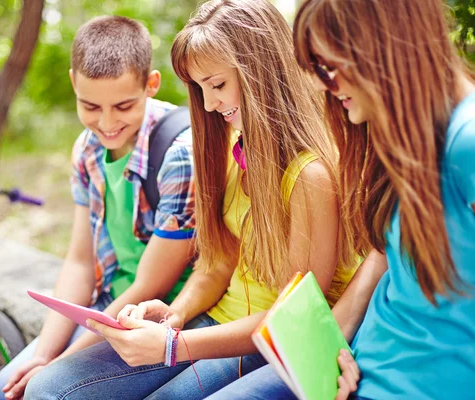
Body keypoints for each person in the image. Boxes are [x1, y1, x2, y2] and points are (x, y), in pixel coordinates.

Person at [24, 1, 363, 398]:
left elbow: (291, 319)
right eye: (199, 88)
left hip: (267, 342)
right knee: (50, 388)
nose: (206, 104)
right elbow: (216, 264)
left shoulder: (311, 176)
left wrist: (174, 346)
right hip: (215, 321)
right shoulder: (235, 147)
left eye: (217, 85)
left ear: (262, 73)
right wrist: (175, 313)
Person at [208, 0, 475, 398]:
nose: (319, 85)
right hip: (353, 367)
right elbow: (385, 254)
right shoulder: (409, 135)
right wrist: (335, 339)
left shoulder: (465, 143)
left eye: (328, 68)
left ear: (385, 47)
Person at [0, 15, 196, 400]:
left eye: (124, 105)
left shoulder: (180, 153)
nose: (107, 123)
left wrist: (58, 366)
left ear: (152, 84)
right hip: (105, 310)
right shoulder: (88, 149)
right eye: (90, 106)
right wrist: (45, 353)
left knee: (48, 391)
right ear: (73, 83)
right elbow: (80, 261)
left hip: (163, 321)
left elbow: (152, 284)